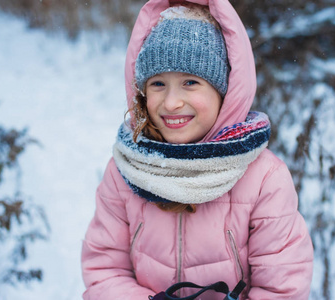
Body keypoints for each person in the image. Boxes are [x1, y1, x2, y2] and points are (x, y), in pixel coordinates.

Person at [81, 0, 314, 299]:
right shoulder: (125, 170)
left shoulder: (264, 179)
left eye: (190, 82)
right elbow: (104, 270)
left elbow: (282, 288)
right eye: (158, 84)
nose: (171, 102)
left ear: (224, 92)